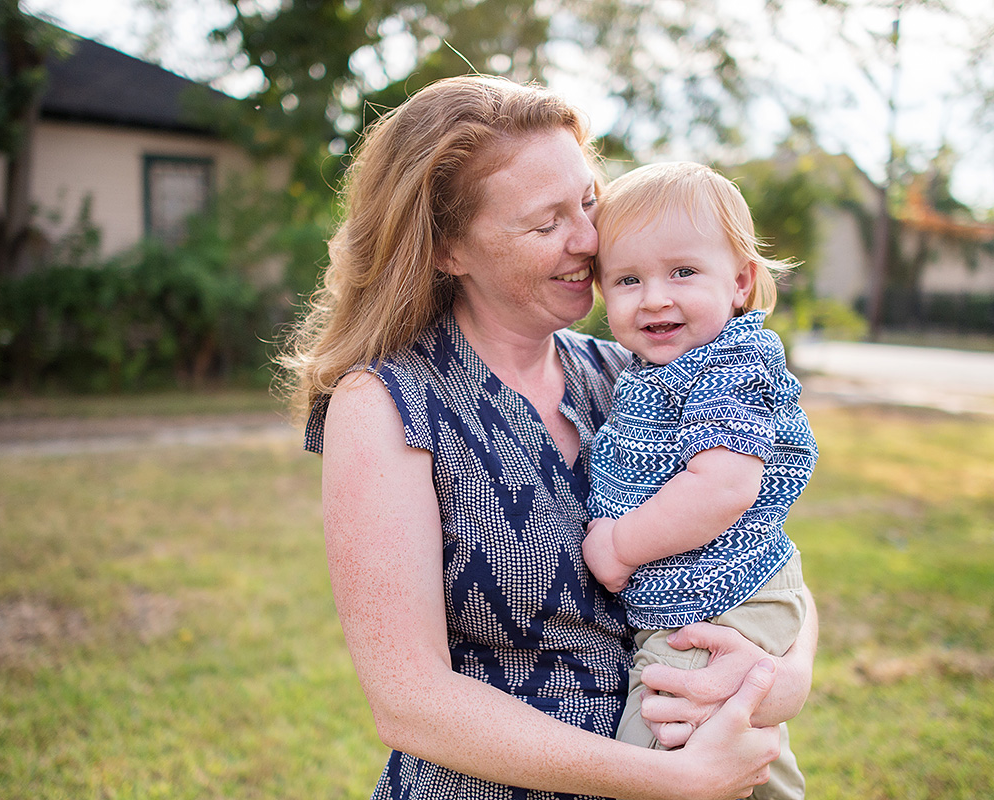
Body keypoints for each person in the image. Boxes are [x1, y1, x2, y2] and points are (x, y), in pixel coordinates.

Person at [279, 75, 818, 800]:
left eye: (589, 202)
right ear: (448, 251)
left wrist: (775, 680)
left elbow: (765, 557)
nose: (591, 240)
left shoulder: (636, 373)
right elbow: (409, 703)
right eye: (547, 223)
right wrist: (668, 778)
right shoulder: (386, 403)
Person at [582, 162, 818, 799]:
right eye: (628, 279)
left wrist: (618, 544)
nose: (655, 297)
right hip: (709, 598)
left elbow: (723, 486)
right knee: (743, 763)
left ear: (741, 282)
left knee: (659, 757)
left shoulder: (727, 362)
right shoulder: (654, 368)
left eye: (682, 272)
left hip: (713, 606)